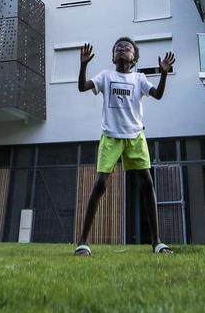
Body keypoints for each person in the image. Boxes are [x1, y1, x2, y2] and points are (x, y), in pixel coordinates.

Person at [74, 38, 174, 257]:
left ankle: (156, 242)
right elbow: (82, 87)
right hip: (111, 137)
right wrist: (83, 65)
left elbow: (157, 94)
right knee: (100, 184)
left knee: (147, 184)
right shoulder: (106, 76)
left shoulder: (139, 78)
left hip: (135, 137)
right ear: (113, 57)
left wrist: (164, 74)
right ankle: (82, 242)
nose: (122, 49)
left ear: (134, 58)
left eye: (127, 48)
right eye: (117, 47)